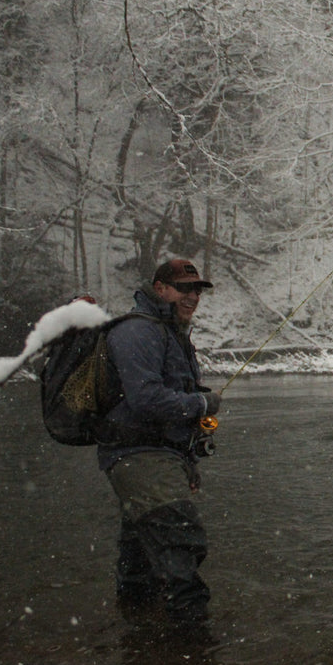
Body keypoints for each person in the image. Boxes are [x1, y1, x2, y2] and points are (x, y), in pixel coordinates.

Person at [93, 258, 222, 626]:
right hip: (138, 456)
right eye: (184, 288)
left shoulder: (172, 332)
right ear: (160, 288)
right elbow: (146, 400)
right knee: (182, 544)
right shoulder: (138, 331)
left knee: (141, 565)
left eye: (197, 289)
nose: (193, 296)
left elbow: (166, 405)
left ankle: (139, 644)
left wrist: (187, 462)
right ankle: (192, 651)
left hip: (156, 457)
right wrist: (201, 403)